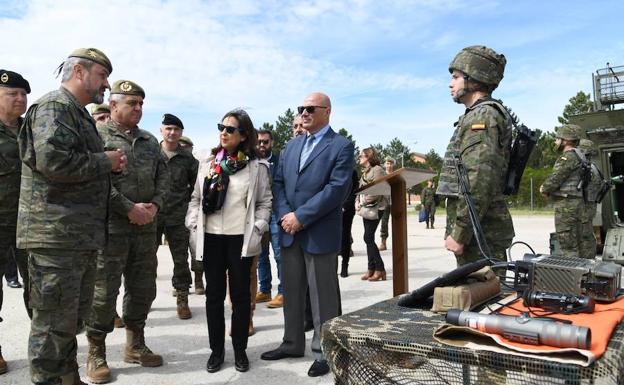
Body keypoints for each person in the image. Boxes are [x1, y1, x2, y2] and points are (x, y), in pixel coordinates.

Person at [17, 48, 125, 385]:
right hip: (55, 237)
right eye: (102, 75)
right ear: (79, 71)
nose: (106, 84)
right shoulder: (54, 107)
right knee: (51, 328)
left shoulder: (77, 113)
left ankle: (67, 378)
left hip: (76, 237)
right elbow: (54, 162)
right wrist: (105, 162)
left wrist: (107, 166)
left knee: (68, 322)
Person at [261, 92, 354, 378]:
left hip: (318, 231)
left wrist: (301, 217)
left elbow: (337, 189)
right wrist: (287, 215)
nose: (304, 112)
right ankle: (291, 343)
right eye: (301, 108)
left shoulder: (340, 146)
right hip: (289, 229)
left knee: (322, 295)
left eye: (310, 108)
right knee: (291, 290)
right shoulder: (291, 146)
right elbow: (278, 184)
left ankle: (325, 351)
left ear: (327, 111)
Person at [85, 80, 167, 383]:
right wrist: (129, 208)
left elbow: (164, 177)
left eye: (141, 104)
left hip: (146, 229)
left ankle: (135, 345)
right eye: (132, 103)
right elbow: (94, 183)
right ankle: (96, 351)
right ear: (114, 105)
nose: (138, 109)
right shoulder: (95, 136)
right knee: (103, 292)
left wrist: (155, 206)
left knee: (142, 288)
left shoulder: (149, 141)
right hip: (109, 229)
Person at [186, 108, 271, 373]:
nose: (223, 132)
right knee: (213, 297)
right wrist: (193, 223)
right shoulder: (208, 162)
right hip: (211, 238)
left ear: (244, 134)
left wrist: (258, 226)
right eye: (221, 127)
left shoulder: (256, 167)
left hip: (240, 240)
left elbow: (265, 202)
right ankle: (216, 352)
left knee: (241, 297)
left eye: (230, 129)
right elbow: (195, 199)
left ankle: (240, 351)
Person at [437, 45, 515, 266]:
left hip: (481, 234)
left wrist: (461, 233)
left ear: (474, 79)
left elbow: (479, 179)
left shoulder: (483, 116)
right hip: (479, 230)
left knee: (483, 296)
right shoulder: (479, 115)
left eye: (456, 77)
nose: (451, 83)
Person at [0, 69, 31, 375]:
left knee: (37, 288)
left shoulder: (31, 131)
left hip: (31, 223)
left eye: (23, 94)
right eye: (12, 94)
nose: (20, 99)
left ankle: (44, 349)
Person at [156, 113, 199, 319]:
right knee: (145, 261)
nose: (172, 133)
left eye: (176, 129)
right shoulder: (150, 153)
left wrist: (189, 210)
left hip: (177, 215)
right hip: (152, 214)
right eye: (168, 129)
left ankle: (182, 298)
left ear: (181, 133)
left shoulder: (188, 159)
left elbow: (195, 187)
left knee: (180, 260)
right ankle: (144, 299)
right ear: (161, 130)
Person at [540, 124, 589, 258]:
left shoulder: (568, 157)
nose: (555, 141)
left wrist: (544, 188)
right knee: (578, 243)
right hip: (577, 203)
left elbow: (556, 178)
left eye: (557, 138)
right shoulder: (580, 156)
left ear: (566, 140)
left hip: (566, 205)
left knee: (568, 245)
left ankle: (573, 277)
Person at [255, 129, 284, 308]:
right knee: (260, 255)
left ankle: (283, 292)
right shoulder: (252, 161)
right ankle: (265, 290)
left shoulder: (280, 160)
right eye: (259, 142)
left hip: (275, 212)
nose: (262, 145)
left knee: (279, 253)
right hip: (257, 214)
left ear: (271, 142)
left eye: (265, 142)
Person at [178, 136, 205, 293]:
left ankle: (198, 279)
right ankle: (182, 284)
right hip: (175, 213)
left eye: (186, 147)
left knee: (196, 249)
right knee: (180, 254)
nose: (183, 149)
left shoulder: (196, 165)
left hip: (194, 212)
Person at [356, 147, 387, 281]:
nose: (359, 158)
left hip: (377, 207)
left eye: (362, 156)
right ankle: (371, 269)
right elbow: (360, 189)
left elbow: (377, 191)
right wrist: (357, 201)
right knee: (369, 238)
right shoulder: (364, 172)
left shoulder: (378, 170)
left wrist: (362, 203)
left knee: (368, 237)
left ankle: (380, 269)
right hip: (367, 209)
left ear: (369, 157)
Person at [578, 138, 601, 258]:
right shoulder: (593, 167)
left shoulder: (588, 169)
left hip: (585, 207)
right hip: (589, 206)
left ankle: (587, 263)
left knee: (585, 237)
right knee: (587, 235)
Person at [339, 169, 359, 277]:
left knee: (345, 237)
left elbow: (354, 191)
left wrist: (344, 206)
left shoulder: (352, 172)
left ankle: (344, 266)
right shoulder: (332, 168)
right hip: (332, 209)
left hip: (347, 210)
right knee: (333, 239)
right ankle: (333, 268)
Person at [379, 157, 395, 250]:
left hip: (395, 202)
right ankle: (383, 242)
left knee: (397, 222)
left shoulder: (396, 175)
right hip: (384, 202)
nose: (389, 165)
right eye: (387, 163)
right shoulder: (381, 176)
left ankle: (398, 241)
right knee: (384, 222)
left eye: (390, 163)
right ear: (384, 165)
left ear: (393, 165)